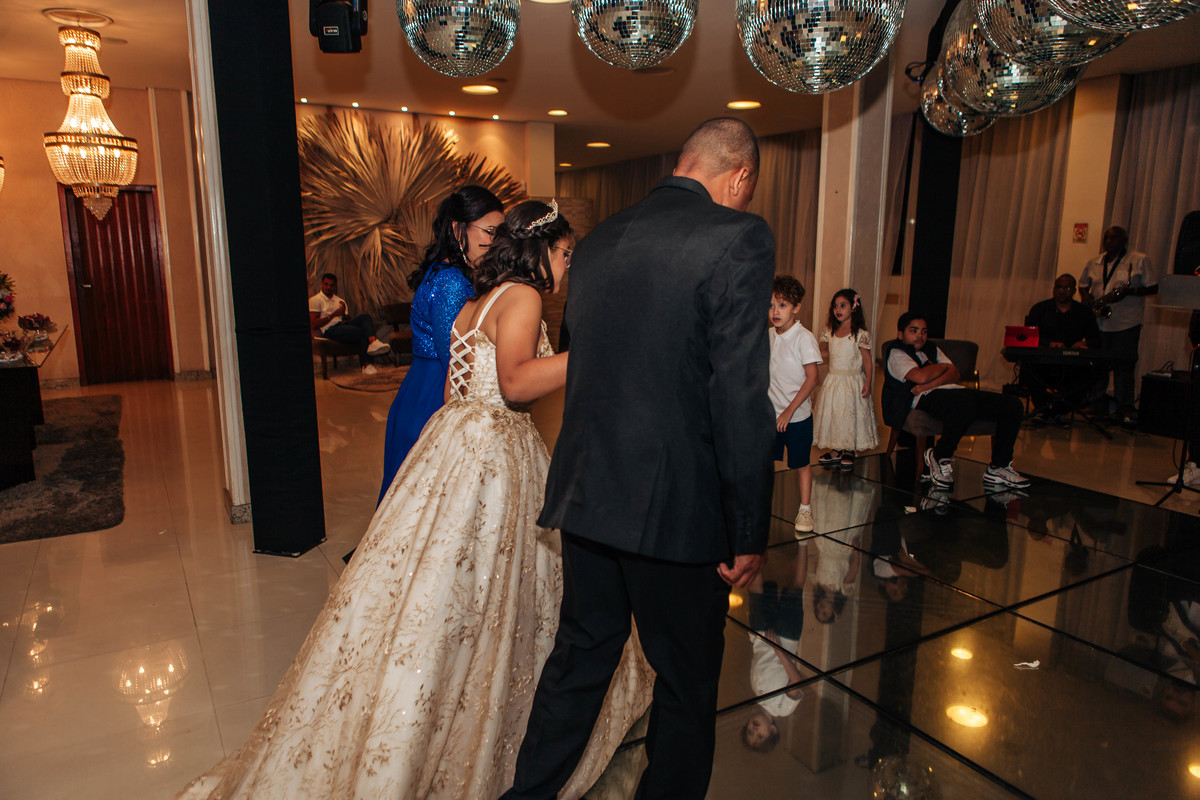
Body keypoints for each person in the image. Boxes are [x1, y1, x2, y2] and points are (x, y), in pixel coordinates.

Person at [178, 201, 651, 800]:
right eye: (564, 254)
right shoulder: (525, 297)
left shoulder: (477, 302)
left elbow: (457, 390)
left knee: (435, 586)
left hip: (453, 439)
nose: (567, 265)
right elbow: (514, 383)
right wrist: (592, 356)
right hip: (496, 452)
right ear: (541, 251)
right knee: (491, 588)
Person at [500, 118, 776, 800]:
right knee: (685, 682)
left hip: (590, 493)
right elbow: (738, 393)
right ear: (740, 176)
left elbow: (585, 364)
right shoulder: (738, 236)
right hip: (676, 510)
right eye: (747, 188)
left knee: (579, 660)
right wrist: (747, 526)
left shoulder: (600, 241)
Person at [378, 185, 504, 504]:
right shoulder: (452, 282)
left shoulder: (446, 271)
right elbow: (457, 359)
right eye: (489, 231)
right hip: (436, 394)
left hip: (423, 386)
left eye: (499, 233)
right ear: (458, 228)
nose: (495, 241)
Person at [882, 312, 1031, 491]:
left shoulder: (931, 348)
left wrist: (932, 381)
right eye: (913, 331)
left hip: (953, 391)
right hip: (921, 397)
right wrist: (941, 369)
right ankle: (939, 456)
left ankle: (998, 467)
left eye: (924, 331)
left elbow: (955, 374)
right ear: (901, 334)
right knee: (964, 404)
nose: (920, 335)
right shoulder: (897, 352)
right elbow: (919, 377)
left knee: (1012, 405)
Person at [1077, 226, 1158, 425]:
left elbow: (1153, 287)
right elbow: (1083, 284)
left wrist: (1129, 292)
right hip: (1100, 321)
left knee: (1124, 366)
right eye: (1106, 237)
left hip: (1126, 322)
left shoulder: (1139, 260)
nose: (1108, 241)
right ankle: (1096, 402)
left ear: (1124, 240)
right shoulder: (1095, 262)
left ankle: (1124, 407)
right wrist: (1086, 297)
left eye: (1113, 237)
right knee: (1098, 364)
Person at [768, 275, 822, 534]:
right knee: (763, 460)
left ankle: (805, 509)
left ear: (796, 307)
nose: (775, 312)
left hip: (797, 415)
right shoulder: (768, 335)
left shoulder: (804, 338)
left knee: (801, 462)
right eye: (771, 305)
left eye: (783, 305)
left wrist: (789, 411)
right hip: (770, 413)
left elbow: (813, 378)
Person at [741, 547, 807, 754]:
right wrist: (779, 650)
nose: (754, 730)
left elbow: (759, 658)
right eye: (759, 735)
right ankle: (804, 543)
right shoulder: (782, 709)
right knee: (795, 588)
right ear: (773, 731)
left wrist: (760, 640)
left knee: (756, 588)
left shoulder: (755, 691)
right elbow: (796, 681)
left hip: (761, 634)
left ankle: (753, 544)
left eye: (750, 732)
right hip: (786, 638)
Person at [1022, 273, 1101, 424]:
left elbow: (1096, 340)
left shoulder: (1084, 313)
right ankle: (1042, 409)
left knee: (1088, 374)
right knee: (1029, 368)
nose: (1062, 291)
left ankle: (1062, 411)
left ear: (1074, 291)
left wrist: (1083, 344)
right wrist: (1048, 344)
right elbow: (1028, 336)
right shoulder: (1040, 309)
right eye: (1058, 288)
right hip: (1044, 360)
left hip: (1072, 362)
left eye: (1067, 288)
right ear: (1053, 289)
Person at [814, 288, 879, 470]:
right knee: (835, 414)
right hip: (834, 381)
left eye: (843, 305)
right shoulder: (830, 332)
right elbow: (828, 352)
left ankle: (849, 450)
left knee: (849, 414)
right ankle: (836, 449)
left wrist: (868, 382)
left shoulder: (859, 334)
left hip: (852, 381)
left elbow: (867, 360)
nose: (838, 309)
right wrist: (813, 352)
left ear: (854, 307)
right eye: (835, 306)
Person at [309, 273, 390, 373]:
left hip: (342, 325)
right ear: (321, 284)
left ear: (335, 286)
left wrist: (344, 315)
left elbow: (345, 319)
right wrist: (334, 314)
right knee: (361, 331)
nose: (329, 287)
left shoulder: (339, 301)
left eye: (332, 285)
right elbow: (314, 324)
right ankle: (367, 365)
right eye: (326, 284)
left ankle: (373, 342)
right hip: (329, 330)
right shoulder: (315, 300)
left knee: (365, 317)